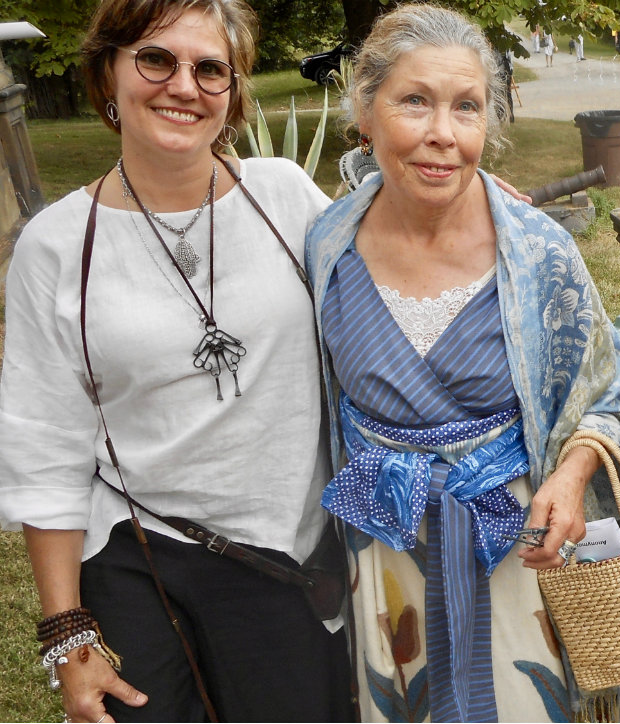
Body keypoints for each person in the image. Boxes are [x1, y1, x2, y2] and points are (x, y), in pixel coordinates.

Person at [0, 0, 354, 721]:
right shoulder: (56, 246)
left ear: (233, 91)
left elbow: (391, 277)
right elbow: (45, 444)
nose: (183, 86)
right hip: (140, 552)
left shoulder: (285, 199)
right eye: (156, 59)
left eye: (210, 68)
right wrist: (68, 631)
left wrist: (478, 203)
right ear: (109, 72)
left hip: (285, 553)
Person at [304, 5, 620, 722]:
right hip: (387, 556)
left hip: (523, 554)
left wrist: (572, 477)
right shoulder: (325, 246)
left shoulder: (540, 253)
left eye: (466, 107)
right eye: (414, 101)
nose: (443, 133)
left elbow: (610, 395)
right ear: (364, 111)